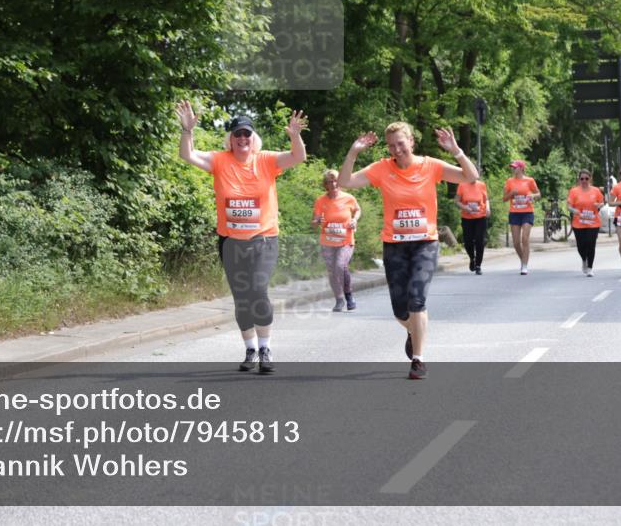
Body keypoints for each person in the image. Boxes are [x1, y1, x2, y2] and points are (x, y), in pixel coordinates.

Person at [338, 122, 477, 380]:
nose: (396, 150)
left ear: (411, 141)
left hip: (425, 242)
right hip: (395, 245)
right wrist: (353, 152)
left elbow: (471, 177)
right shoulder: (382, 168)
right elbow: (345, 181)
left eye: (401, 143)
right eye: (391, 146)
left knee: (417, 299)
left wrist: (456, 151)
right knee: (400, 310)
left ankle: (418, 359)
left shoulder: (430, 165)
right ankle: (414, 330)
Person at [176, 101, 307, 373]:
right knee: (242, 299)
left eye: (247, 134)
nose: (242, 139)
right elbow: (187, 156)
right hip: (230, 241)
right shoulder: (219, 160)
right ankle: (250, 350)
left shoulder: (266, 160)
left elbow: (297, 157)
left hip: (263, 239)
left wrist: (295, 136)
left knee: (258, 290)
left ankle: (265, 349)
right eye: (238, 134)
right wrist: (187, 131)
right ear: (231, 139)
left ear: (253, 138)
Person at [312, 170, 362, 312]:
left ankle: (349, 295)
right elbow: (314, 222)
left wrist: (354, 219)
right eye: (329, 182)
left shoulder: (348, 198)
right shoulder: (320, 201)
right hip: (327, 241)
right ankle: (339, 299)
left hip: (345, 240)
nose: (333, 184)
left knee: (340, 266)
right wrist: (317, 221)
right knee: (331, 271)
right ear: (325, 185)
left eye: (335, 181)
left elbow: (358, 210)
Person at [503, 160, 541, 275]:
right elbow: (504, 198)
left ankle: (524, 265)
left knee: (525, 238)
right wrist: (511, 194)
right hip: (514, 213)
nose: (513, 169)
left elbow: (539, 194)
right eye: (512, 167)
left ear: (521, 168)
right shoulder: (509, 181)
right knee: (515, 242)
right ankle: (523, 259)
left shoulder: (529, 180)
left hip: (527, 212)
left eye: (515, 167)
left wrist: (532, 196)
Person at [567, 169, 605, 276]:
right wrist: (574, 210)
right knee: (581, 245)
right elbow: (569, 206)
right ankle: (584, 259)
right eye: (582, 178)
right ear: (579, 179)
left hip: (593, 222)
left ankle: (590, 268)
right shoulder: (574, 191)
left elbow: (602, 202)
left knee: (591, 244)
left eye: (586, 178)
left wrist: (599, 205)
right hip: (578, 223)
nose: (584, 180)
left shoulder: (596, 190)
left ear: (590, 179)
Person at [455, 177, 490, 275]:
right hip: (467, 218)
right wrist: (465, 207)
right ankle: (472, 258)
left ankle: (478, 265)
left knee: (480, 241)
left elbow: (486, 199)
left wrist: (488, 208)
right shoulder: (462, 185)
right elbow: (457, 201)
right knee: (468, 242)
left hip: (480, 216)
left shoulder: (481, 185)